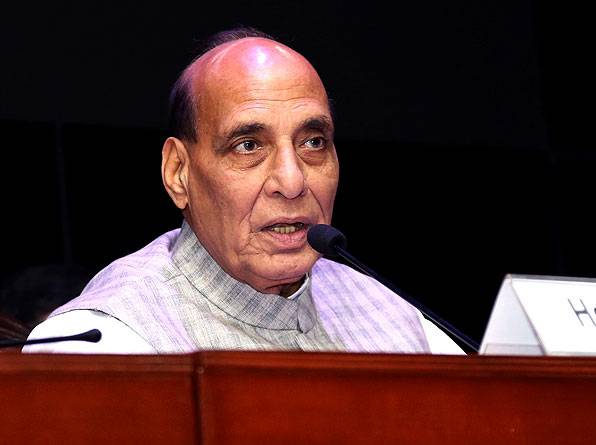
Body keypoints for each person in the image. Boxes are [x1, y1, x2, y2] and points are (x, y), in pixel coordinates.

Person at [24, 28, 462, 354]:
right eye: (248, 146)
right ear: (178, 173)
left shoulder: (395, 317)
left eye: (313, 143)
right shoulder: (105, 343)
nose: (292, 182)